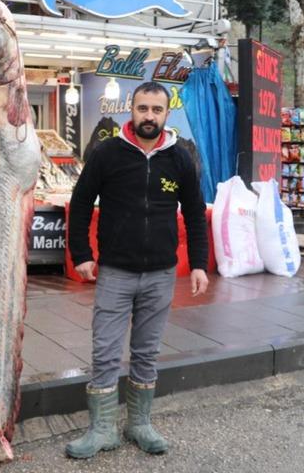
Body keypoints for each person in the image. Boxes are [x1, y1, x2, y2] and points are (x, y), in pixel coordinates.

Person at [65, 82, 209, 460]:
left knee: (146, 352)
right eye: (143, 108)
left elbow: (195, 213)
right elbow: (81, 203)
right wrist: (81, 253)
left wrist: (198, 263)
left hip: (161, 273)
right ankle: (101, 429)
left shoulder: (179, 158)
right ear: (132, 109)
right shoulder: (107, 153)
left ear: (166, 114)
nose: (149, 116)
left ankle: (139, 424)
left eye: (156, 110)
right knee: (105, 352)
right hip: (115, 271)